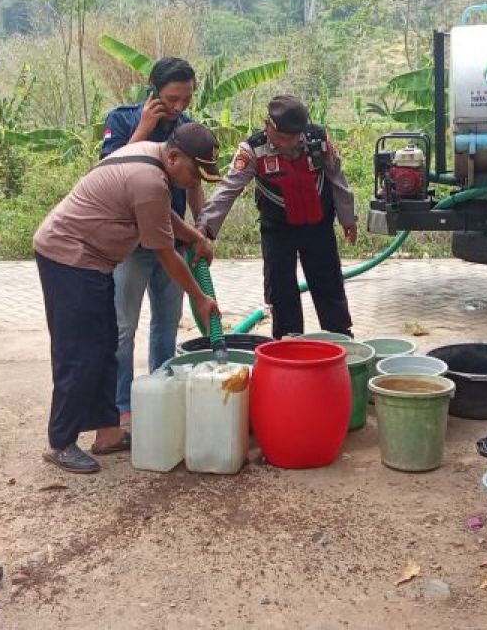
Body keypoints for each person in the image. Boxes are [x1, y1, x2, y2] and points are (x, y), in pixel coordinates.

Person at [34, 123, 222, 474]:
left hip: (93, 261)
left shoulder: (155, 160)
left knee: (105, 345)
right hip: (68, 257)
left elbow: (161, 215)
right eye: (195, 172)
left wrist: (194, 236)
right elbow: (165, 252)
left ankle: (107, 432)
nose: (195, 181)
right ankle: (60, 442)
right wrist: (199, 298)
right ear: (175, 156)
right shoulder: (149, 179)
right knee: (78, 351)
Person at [197, 95, 356, 338]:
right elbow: (228, 189)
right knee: (281, 291)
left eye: (294, 138)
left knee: (329, 285)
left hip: (319, 228)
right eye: (282, 138)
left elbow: (337, 177)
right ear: (268, 125)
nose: (289, 144)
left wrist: (348, 218)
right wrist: (204, 229)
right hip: (278, 230)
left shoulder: (318, 139)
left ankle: (342, 342)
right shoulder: (252, 150)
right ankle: (287, 345)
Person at [100, 57, 205, 424]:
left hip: (172, 242)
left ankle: (162, 391)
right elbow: (109, 171)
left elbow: (195, 183)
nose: (178, 107)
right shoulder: (122, 119)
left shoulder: (187, 129)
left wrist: (201, 227)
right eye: (172, 98)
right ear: (153, 92)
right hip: (131, 245)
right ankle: (122, 405)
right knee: (123, 327)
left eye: (186, 100)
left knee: (166, 322)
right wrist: (144, 128)